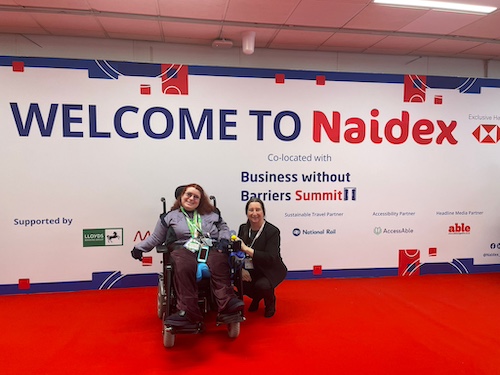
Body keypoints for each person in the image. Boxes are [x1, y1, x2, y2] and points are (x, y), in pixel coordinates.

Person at [131, 183, 244, 326]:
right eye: (188, 195)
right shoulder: (170, 217)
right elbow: (156, 238)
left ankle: (227, 304)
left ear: (201, 200)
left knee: (219, 261)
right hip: (183, 248)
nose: (191, 198)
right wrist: (139, 248)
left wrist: (223, 240)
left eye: (196, 197)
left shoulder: (212, 214)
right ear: (181, 196)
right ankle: (188, 312)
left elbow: (223, 227)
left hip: (210, 247)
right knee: (183, 265)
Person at [233, 198, 287, 318]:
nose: (254, 213)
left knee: (262, 285)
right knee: (238, 280)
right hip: (251, 267)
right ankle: (257, 297)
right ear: (247, 213)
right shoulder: (243, 228)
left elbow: (270, 257)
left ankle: (270, 302)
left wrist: (247, 249)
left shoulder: (272, 231)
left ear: (263, 212)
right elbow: (237, 252)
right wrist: (241, 269)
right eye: (251, 210)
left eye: (258, 209)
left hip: (270, 269)